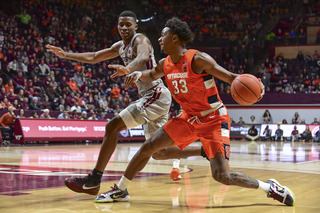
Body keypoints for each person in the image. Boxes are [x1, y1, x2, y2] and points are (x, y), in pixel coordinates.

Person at [95, 17, 294, 206]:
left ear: (174, 38)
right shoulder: (165, 64)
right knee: (151, 148)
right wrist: (135, 72)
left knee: (222, 176)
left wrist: (257, 88)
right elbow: (151, 74)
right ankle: (121, 190)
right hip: (188, 118)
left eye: (163, 35)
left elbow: (232, 77)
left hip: (214, 119)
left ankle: (270, 188)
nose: (159, 39)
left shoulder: (198, 59)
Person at [47, 11, 205, 195]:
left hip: (155, 94)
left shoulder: (141, 40)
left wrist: (128, 69)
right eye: (121, 24)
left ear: (135, 26)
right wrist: (66, 55)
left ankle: (94, 179)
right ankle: (204, 150)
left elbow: (144, 56)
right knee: (158, 152)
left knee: (112, 126)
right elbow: (95, 56)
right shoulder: (120, 46)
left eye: (128, 24)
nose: (124, 28)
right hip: (154, 97)